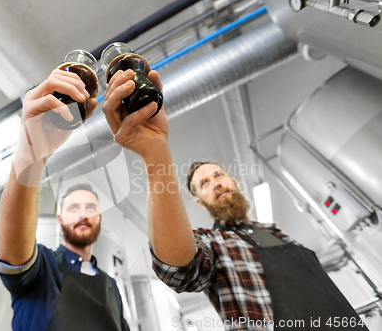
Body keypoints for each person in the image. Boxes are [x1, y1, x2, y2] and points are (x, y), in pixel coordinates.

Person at [101, 69, 368, 330]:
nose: (215, 182)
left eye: (218, 175)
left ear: (234, 183)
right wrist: (155, 151)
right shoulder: (213, 243)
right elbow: (179, 270)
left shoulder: (274, 233)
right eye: (204, 183)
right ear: (201, 203)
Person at [0, 68, 130, 331]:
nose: (82, 213)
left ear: (99, 219)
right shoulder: (42, 266)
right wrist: (32, 156)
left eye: (90, 207)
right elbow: (13, 254)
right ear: (59, 219)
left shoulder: (111, 286)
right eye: (73, 207)